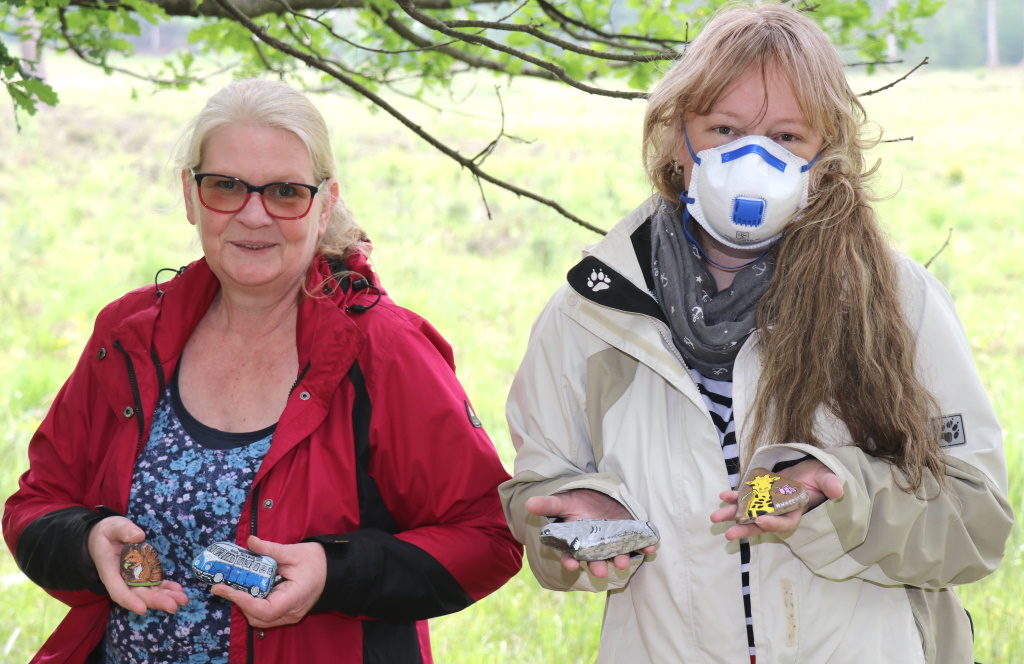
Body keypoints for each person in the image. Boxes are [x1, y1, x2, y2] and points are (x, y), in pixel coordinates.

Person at [499, 4, 1013, 663]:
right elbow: (538, 498)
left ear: (827, 155)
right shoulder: (591, 313)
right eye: (725, 128)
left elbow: (978, 526)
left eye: (787, 137)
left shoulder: (895, 301)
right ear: (676, 139)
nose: (753, 159)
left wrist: (845, 496)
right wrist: (572, 521)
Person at [4, 78, 522, 664]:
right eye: (226, 186)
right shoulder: (128, 335)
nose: (253, 215)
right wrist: (87, 542)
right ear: (190, 194)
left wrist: (334, 572)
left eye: (284, 191)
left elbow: (487, 537)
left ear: (325, 203)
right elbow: (36, 505)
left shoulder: (382, 349)